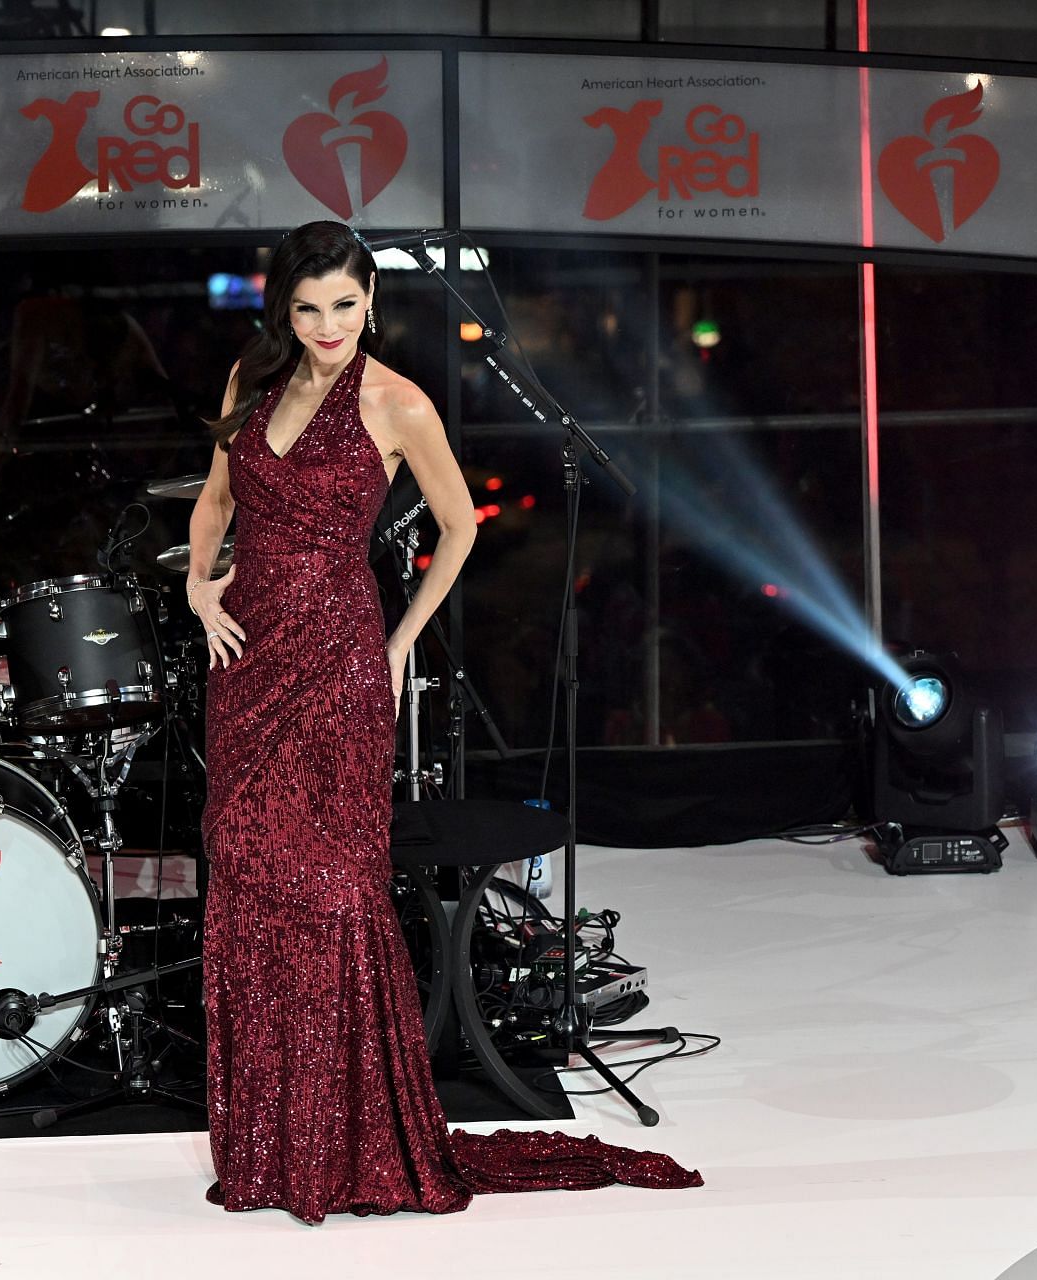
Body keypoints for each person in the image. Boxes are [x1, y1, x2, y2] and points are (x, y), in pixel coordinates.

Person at [185, 221, 701, 1223]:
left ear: (371, 299)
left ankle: (351, 1139)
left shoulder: (396, 400)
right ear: (282, 311)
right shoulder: (249, 382)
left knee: (335, 893)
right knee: (249, 876)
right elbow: (213, 503)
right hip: (245, 667)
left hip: (338, 663)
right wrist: (202, 590)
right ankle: (269, 1144)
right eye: (308, 307)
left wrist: (400, 640)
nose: (327, 325)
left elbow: (461, 523)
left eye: (344, 304)